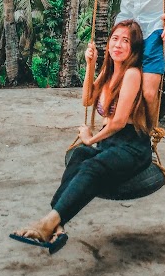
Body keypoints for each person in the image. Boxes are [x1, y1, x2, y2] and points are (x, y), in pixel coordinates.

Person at [10, 20, 151, 253]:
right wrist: (90, 65)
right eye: (115, 38)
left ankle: (47, 224)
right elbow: (87, 99)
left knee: (92, 166)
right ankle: (57, 225)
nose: (118, 45)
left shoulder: (132, 74)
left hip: (132, 146)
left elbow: (118, 122)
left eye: (126, 41)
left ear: (134, 48)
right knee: (78, 156)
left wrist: (90, 139)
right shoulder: (108, 71)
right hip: (110, 144)